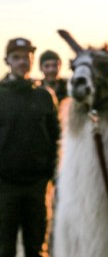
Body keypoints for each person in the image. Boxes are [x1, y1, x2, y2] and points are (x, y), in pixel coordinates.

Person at [0, 37, 60, 257]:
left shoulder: (44, 96)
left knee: (36, 247)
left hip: (37, 186)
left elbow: (57, 139)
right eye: (17, 57)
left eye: (26, 57)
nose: (22, 61)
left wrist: (52, 173)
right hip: (4, 186)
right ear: (7, 60)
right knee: (4, 248)